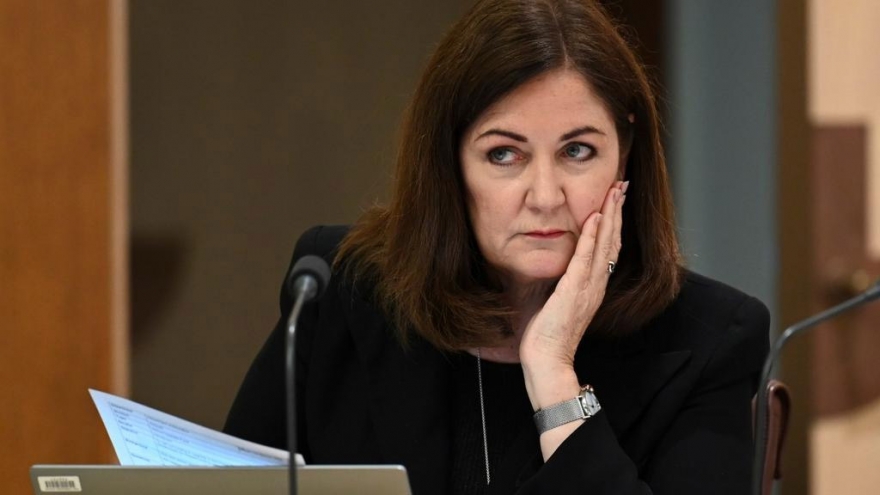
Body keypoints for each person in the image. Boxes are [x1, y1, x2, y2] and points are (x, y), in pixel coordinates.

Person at [224, 0, 770, 493]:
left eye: (577, 151)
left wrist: (553, 372)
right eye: (504, 155)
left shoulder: (710, 338)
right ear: (450, 164)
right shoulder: (342, 288)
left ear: (624, 155)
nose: (545, 197)